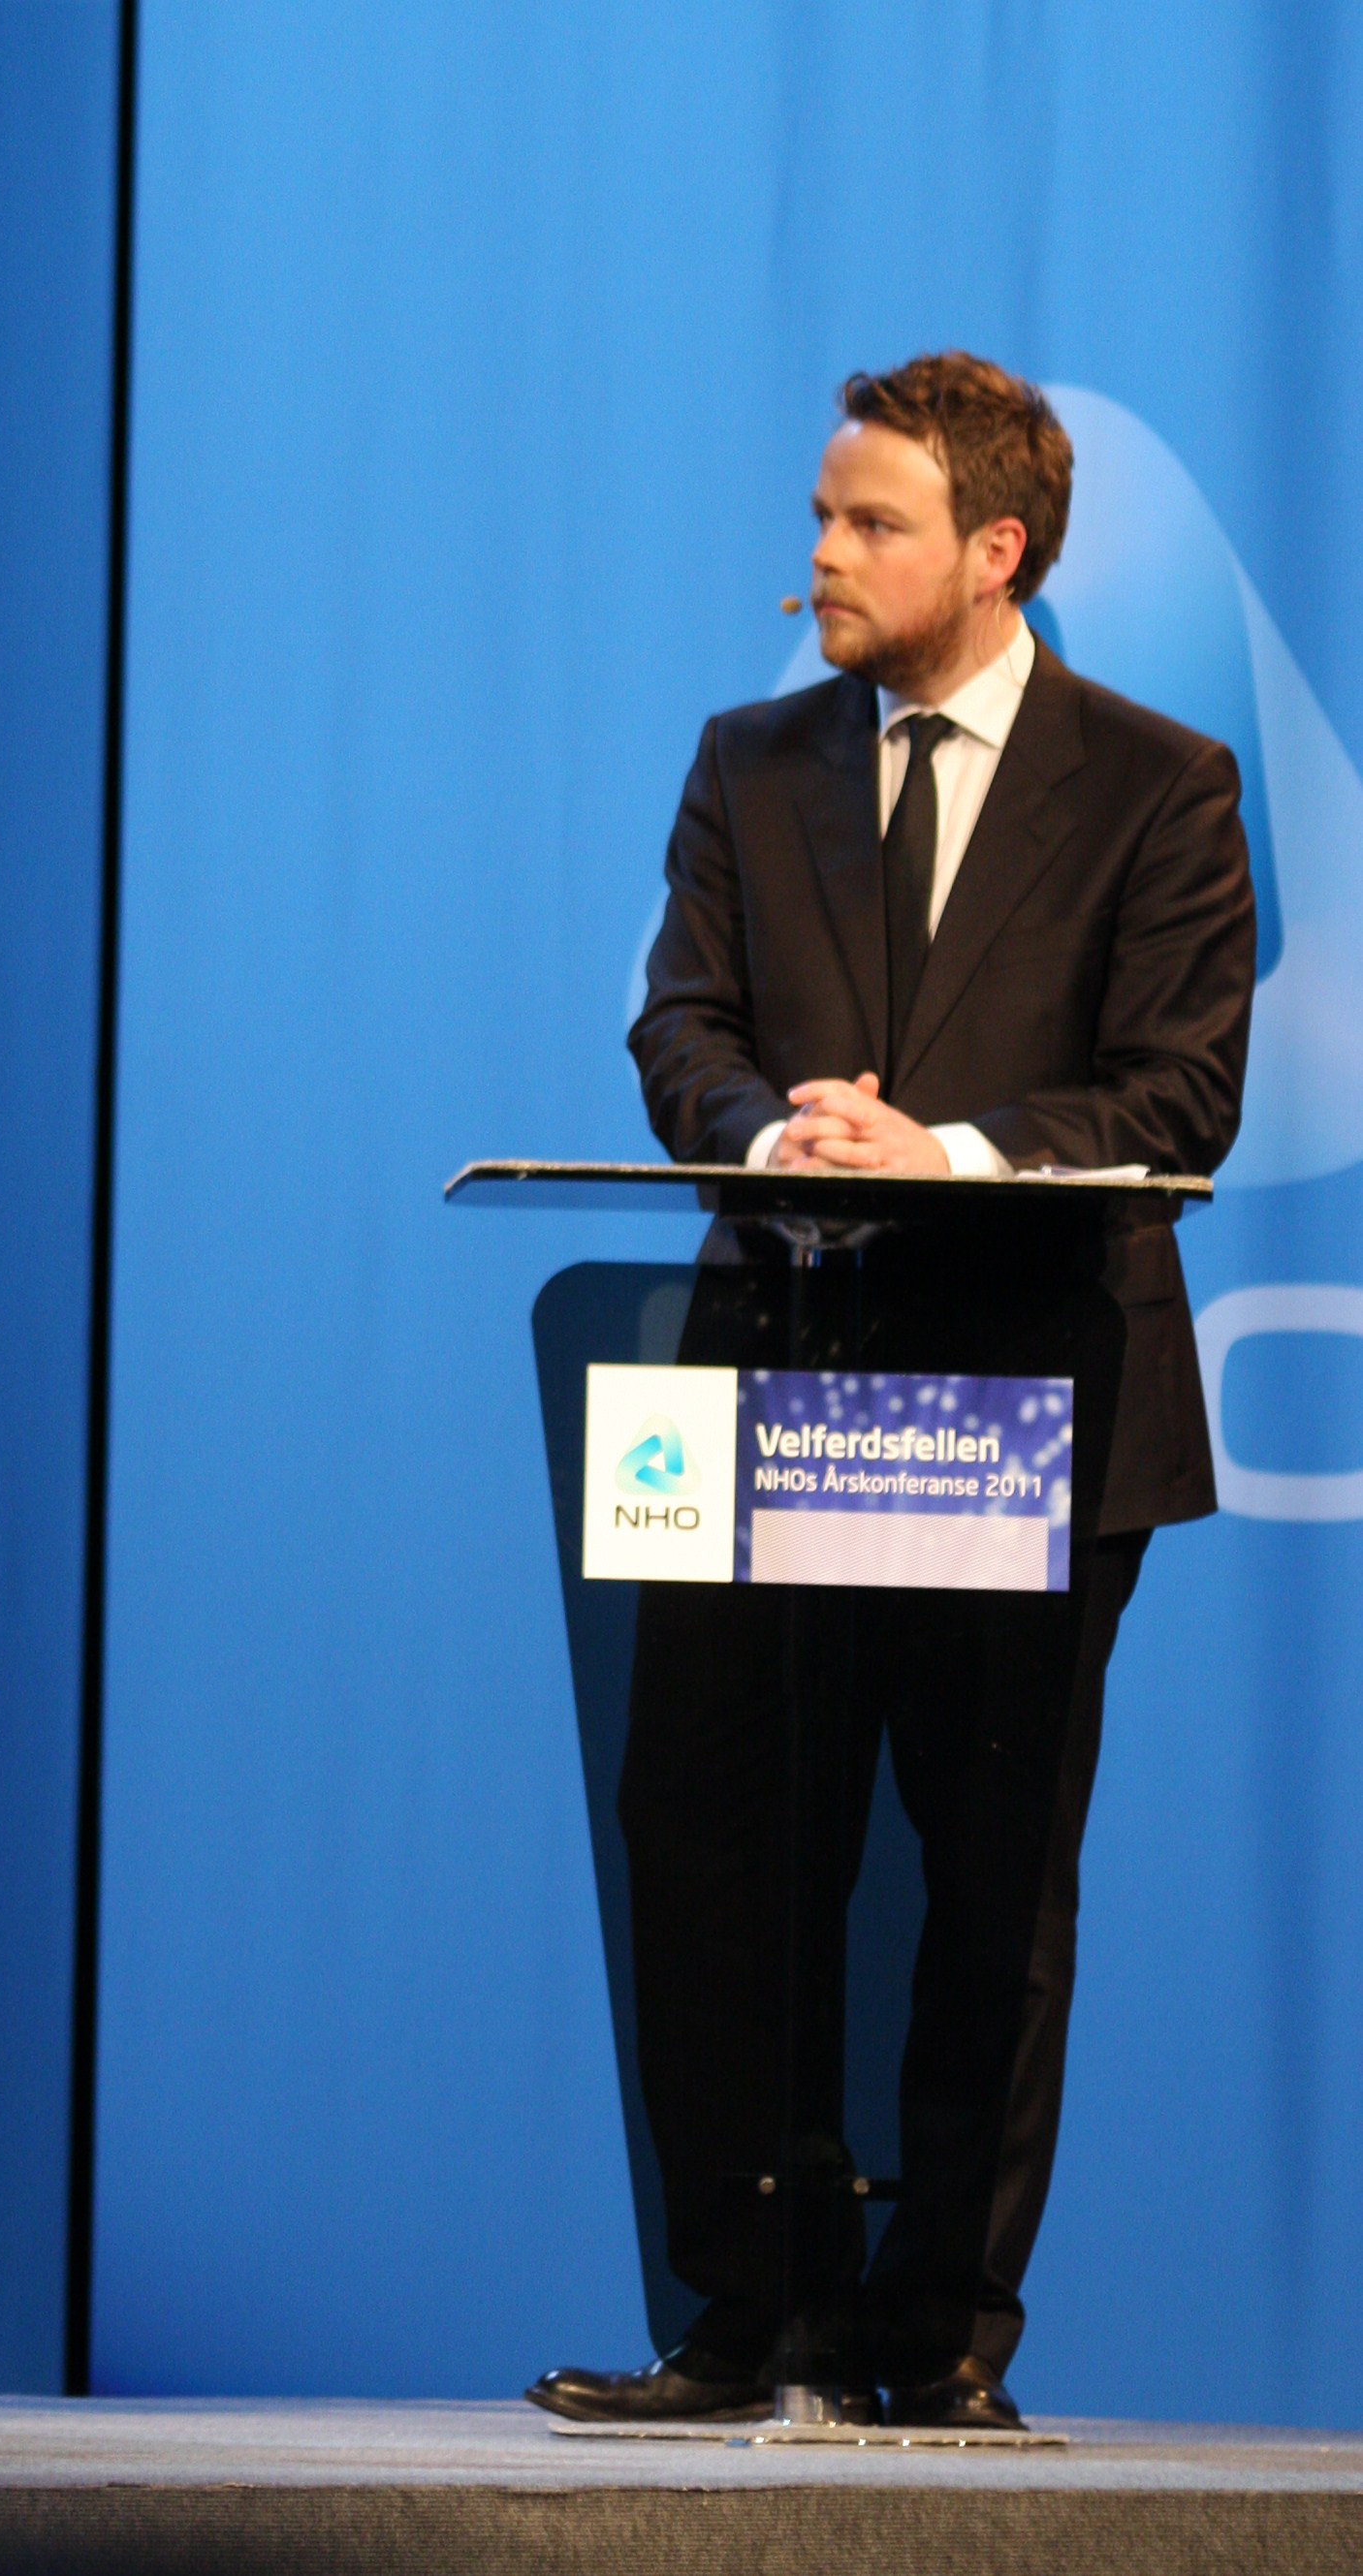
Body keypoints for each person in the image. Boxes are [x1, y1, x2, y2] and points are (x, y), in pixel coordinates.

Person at [530, 354, 1255, 2433]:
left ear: (994, 550)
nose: (821, 558)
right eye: (821, 518)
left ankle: (937, 2338)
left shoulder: (1159, 784)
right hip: (768, 1386)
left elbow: (1176, 1091)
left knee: (989, 1884)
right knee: (718, 1848)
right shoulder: (749, 760)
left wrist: (935, 1152)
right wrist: (773, 1133)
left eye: (870, 525)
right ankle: (747, 2320)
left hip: (1029, 1402)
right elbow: (681, 1024)